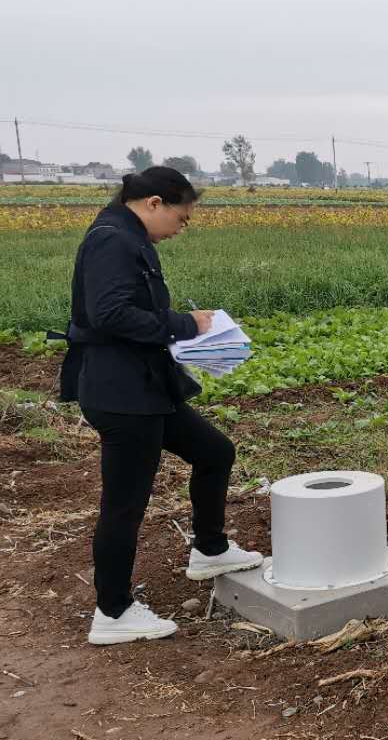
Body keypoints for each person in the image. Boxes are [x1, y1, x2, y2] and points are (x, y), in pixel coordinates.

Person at [58, 167, 263, 646]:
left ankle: (209, 549)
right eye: (181, 217)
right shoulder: (113, 240)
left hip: (146, 389)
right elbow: (109, 314)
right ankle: (113, 611)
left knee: (215, 453)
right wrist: (185, 325)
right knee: (124, 505)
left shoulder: (127, 236)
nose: (181, 227)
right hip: (124, 396)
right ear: (153, 203)